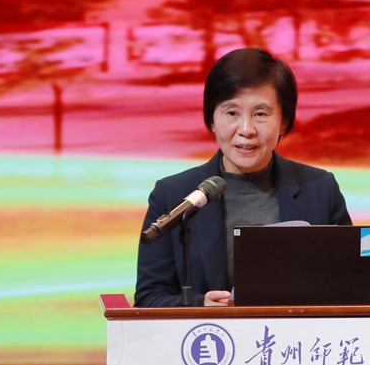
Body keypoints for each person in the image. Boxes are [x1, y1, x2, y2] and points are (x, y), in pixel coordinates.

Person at [134, 48, 352, 307]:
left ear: (284, 121)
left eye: (261, 114)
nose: (246, 130)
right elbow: (149, 298)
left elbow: (350, 287)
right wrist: (200, 305)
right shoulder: (174, 194)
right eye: (231, 113)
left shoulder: (319, 189)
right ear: (212, 120)